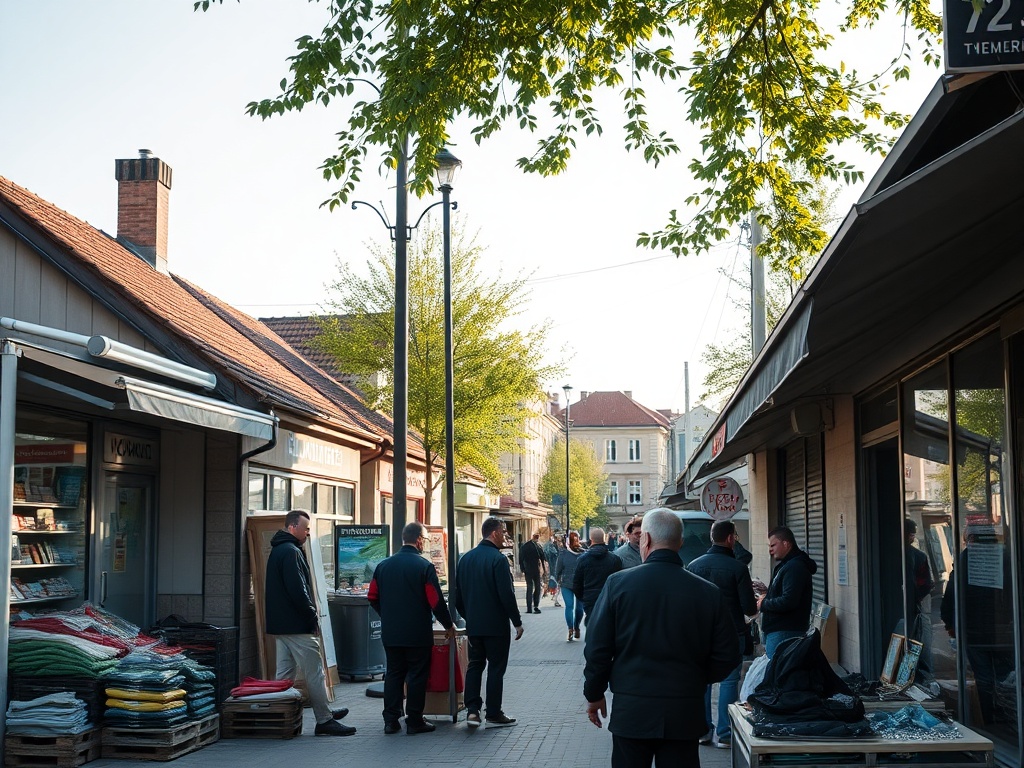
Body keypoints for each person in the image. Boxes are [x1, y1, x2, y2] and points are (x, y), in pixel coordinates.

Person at [583, 509, 741, 768]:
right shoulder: (707, 592)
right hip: (684, 710)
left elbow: (597, 648)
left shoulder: (617, 585)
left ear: (644, 539)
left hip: (632, 709)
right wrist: (696, 677)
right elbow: (729, 655)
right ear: (680, 542)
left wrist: (594, 693)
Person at [265, 510, 355, 737]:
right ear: (292, 527)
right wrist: (311, 617)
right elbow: (299, 590)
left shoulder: (279, 550)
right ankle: (324, 720)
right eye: (305, 528)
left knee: (284, 674)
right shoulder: (291, 552)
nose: (307, 533)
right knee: (315, 672)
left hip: (281, 625)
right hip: (297, 625)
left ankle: (280, 716)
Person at [367, 521, 456, 735]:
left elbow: (372, 597)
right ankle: (414, 720)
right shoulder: (423, 567)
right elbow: (435, 601)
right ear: (418, 540)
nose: (425, 543)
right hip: (417, 633)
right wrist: (448, 624)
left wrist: (387, 615)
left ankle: (391, 720)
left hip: (391, 633)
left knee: (394, 674)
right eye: (425, 539)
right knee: (417, 675)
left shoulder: (383, 566)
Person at [687, 520, 757, 750]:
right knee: (728, 681)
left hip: (701, 632)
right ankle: (725, 734)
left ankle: (702, 730)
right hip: (732, 631)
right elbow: (749, 608)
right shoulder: (737, 568)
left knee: (702, 681)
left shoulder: (694, 566)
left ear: (711, 538)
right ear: (730, 538)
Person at [455, 516, 525, 728]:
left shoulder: (465, 559)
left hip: (475, 625)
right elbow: (506, 594)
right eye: (504, 532)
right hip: (496, 625)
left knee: (475, 665)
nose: (506, 536)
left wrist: (470, 616)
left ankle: (473, 711)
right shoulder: (498, 559)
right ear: (494, 533)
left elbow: (458, 597)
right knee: (496, 667)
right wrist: (517, 621)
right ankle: (493, 712)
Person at [757, 526, 818, 659]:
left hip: (784, 632)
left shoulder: (795, 567)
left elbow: (789, 601)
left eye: (773, 545)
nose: (770, 550)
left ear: (786, 543)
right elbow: (788, 594)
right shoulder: (787, 565)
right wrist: (769, 592)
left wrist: (763, 604)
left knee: (778, 675)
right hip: (779, 631)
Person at [901, 518, 934, 681]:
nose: (911, 538)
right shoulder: (918, 556)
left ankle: (904, 676)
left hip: (905, 607)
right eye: (910, 534)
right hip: (914, 607)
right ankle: (920, 675)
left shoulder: (887, 553)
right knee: (918, 640)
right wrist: (916, 599)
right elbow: (926, 584)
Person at [572, 527, 623, 622]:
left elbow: (577, 583)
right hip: (609, 598)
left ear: (591, 540)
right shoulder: (615, 559)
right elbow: (619, 581)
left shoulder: (582, 559)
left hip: (590, 599)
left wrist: (584, 598)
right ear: (604, 539)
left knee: (592, 626)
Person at [556, 531, 587, 642]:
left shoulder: (563, 553)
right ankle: (576, 627)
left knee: (569, 606)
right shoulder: (584, 553)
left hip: (567, 583)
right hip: (580, 584)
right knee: (579, 608)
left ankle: (571, 628)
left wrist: (556, 580)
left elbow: (558, 570)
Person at [519, 532, 546, 614]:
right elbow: (543, 558)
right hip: (536, 569)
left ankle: (529, 608)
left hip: (528, 569)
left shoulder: (525, 546)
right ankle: (536, 605)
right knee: (537, 587)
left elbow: (521, 558)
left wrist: (522, 568)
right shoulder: (538, 546)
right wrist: (544, 569)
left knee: (529, 588)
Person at [544, 535, 562, 606]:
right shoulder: (552, 547)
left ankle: (555, 598)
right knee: (556, 583)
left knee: (555, 583)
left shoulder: (550, 546)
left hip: (552, 568)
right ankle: (555, 598)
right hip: (553, 567)